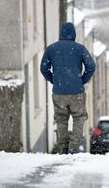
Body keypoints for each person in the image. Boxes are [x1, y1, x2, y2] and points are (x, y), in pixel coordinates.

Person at [40, 22, 95, 154]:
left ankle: (62, 147)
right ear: (74, 34)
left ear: (60, 34)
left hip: (59, 92)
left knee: (61, 119)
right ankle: (74, 147)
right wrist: (82, 80)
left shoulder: (51, 49)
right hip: (77, 92)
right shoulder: (80, 48)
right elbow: (91, 66)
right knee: (79, 117)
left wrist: (54, 80)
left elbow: (43, 68)